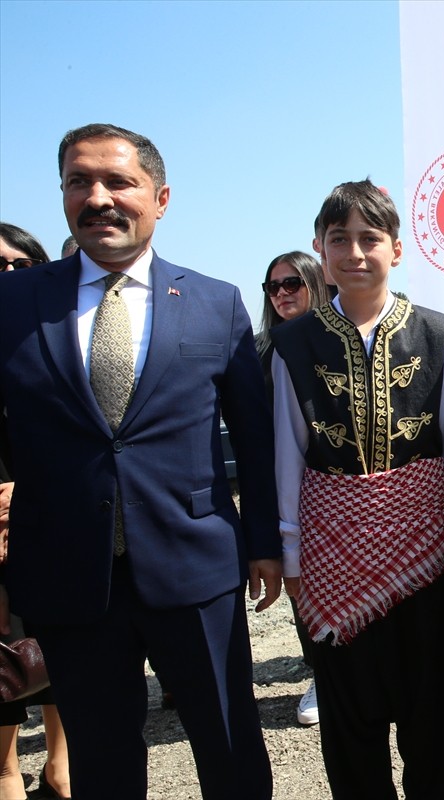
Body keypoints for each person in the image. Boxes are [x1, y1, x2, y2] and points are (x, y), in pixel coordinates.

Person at [0, 123, 281, 799]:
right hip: (68, 573)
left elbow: (256, 436)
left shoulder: (216, 303)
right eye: (79, 181)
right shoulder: (13, 302)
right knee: (101, 765)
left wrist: (266, 544)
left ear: (159, 198)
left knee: (230, 747)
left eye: (117, 182)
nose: (98, 197)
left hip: (196, 569)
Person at [271, 179, 444, 799]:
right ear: (319, 249)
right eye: (340, 240)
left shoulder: (436, 333)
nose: (355, 253)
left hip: (426, 551)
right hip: (331, 554)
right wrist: (293, 555)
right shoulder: (293, 344)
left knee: (433, 707)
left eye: (370, 238)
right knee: (350, 715)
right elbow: (288, 454)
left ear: (398, 249)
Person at [0, 224, 70, 800]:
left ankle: (59, 767)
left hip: (52, 517)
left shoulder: (62, 337)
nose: (9, 276)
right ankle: (5, 773)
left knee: (56, 650)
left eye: (20, 264)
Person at [255, 250, 330, 727]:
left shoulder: (338, 343)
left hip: (333, 486)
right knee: (301, 583)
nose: (282, 293)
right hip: (279, 485)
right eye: (273, 286)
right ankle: (321, 672)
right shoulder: (260, 350)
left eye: (293, 284)